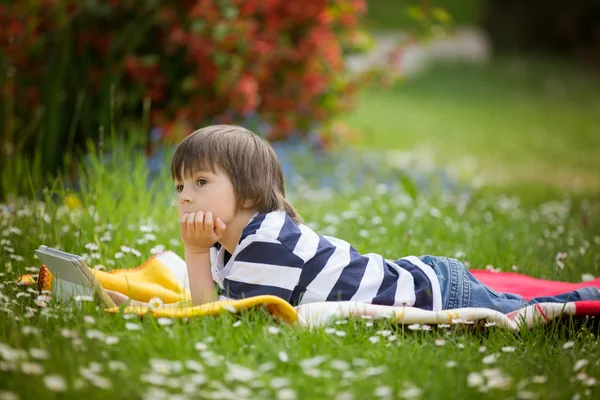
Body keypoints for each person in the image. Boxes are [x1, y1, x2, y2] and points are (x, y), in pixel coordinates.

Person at [109, 125, 600, 313]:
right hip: (424, 277)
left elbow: (221, 319)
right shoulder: (227, 245)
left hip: (433, 291)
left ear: (250, 191)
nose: (185, 199)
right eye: (179, 187)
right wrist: (200, 254)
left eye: (200, 183)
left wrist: (192, 256)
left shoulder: (265, 243)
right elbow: (210, 304)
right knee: (533, 307)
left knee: (545, 313)